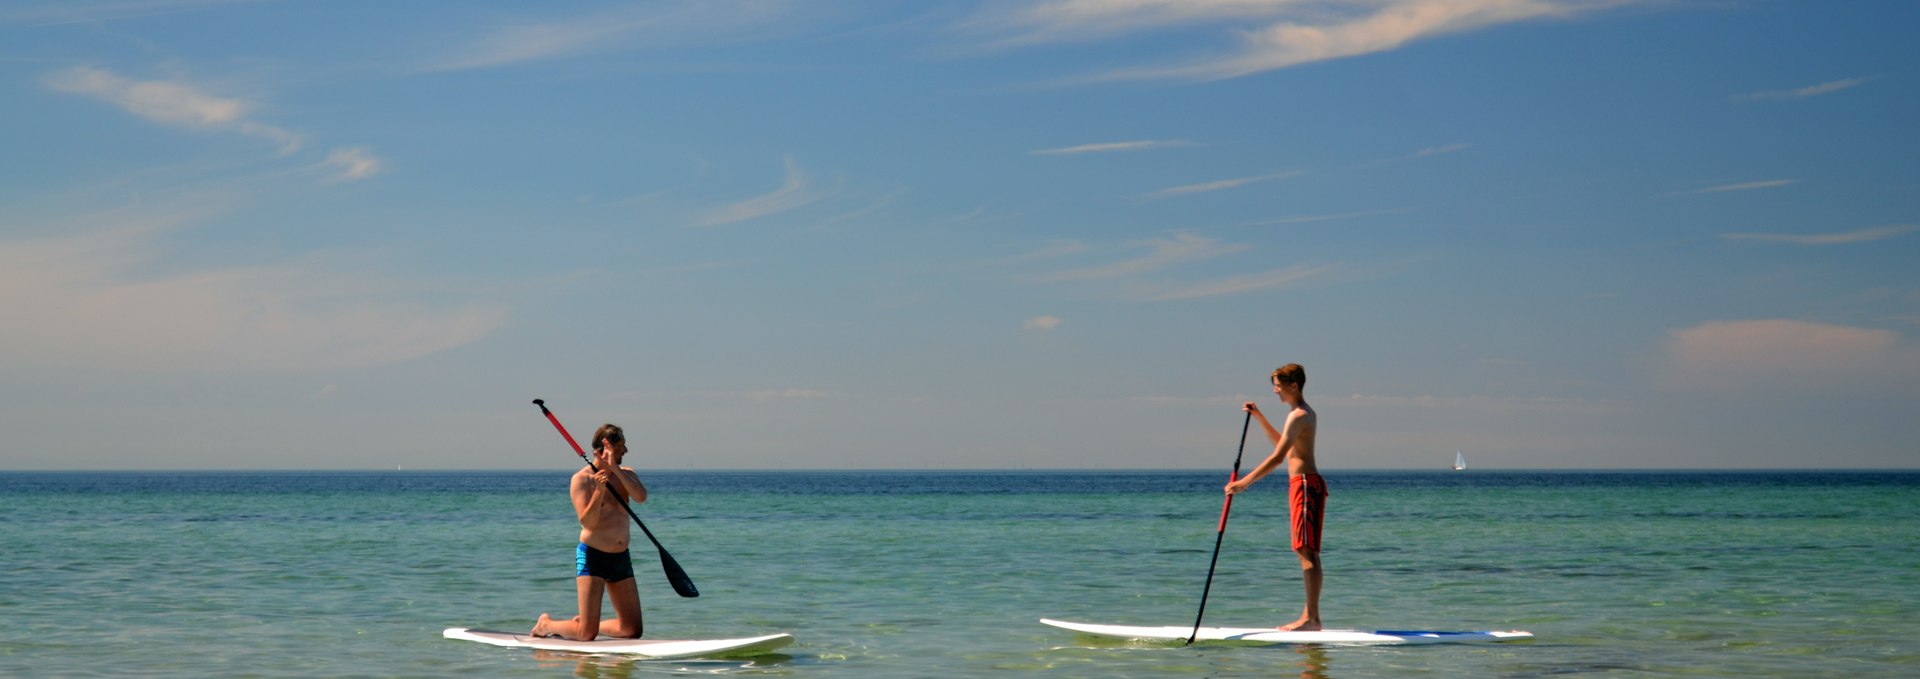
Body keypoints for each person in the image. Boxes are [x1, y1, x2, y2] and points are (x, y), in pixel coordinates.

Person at [1224, 364, 1325, 632]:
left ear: (1294, 385)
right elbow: (1283, 445)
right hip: (1302, 484)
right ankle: (1311, 616)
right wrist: (1259, 417)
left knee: (1306, 551)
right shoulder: (1298, 414)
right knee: (1308, 550)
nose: (1275, 390)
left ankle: (1311, 619)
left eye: (1279, 385)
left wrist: (1245, 482)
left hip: (1304, 484)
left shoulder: (1299, 415)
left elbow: (1279, 458)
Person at [532, 424, 649, 640]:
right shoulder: (581, 480)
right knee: (586, 635)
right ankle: (546, 625)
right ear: (605, 448)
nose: (626, 451)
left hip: (620, 558)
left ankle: (587, 622)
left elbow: (641, 497)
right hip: (592, 556)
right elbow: (588, 523)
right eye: (622, 446)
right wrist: (598, 492)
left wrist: (614, 469)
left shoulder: (627, 474)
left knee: (631, 630)